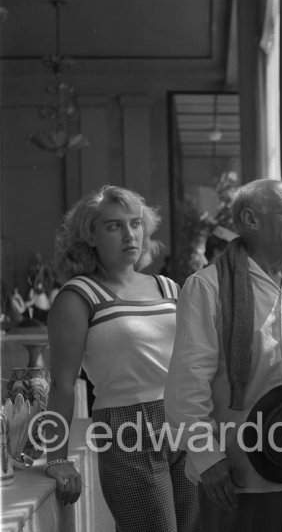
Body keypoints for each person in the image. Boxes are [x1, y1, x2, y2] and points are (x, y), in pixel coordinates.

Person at [164, 179, 282, 532]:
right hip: (239, 472)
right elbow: (187, 384)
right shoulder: (208, 286)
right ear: (251, 220)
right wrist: (207, 459)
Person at [44, 185, 199, 532]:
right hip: (127, 426)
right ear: (90, 236)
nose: (130, 234)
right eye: (114, 226)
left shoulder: (169, 288)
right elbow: (62, 384)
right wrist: (57, 458)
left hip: (188, 423)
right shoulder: (78, 296)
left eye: (136, 223)